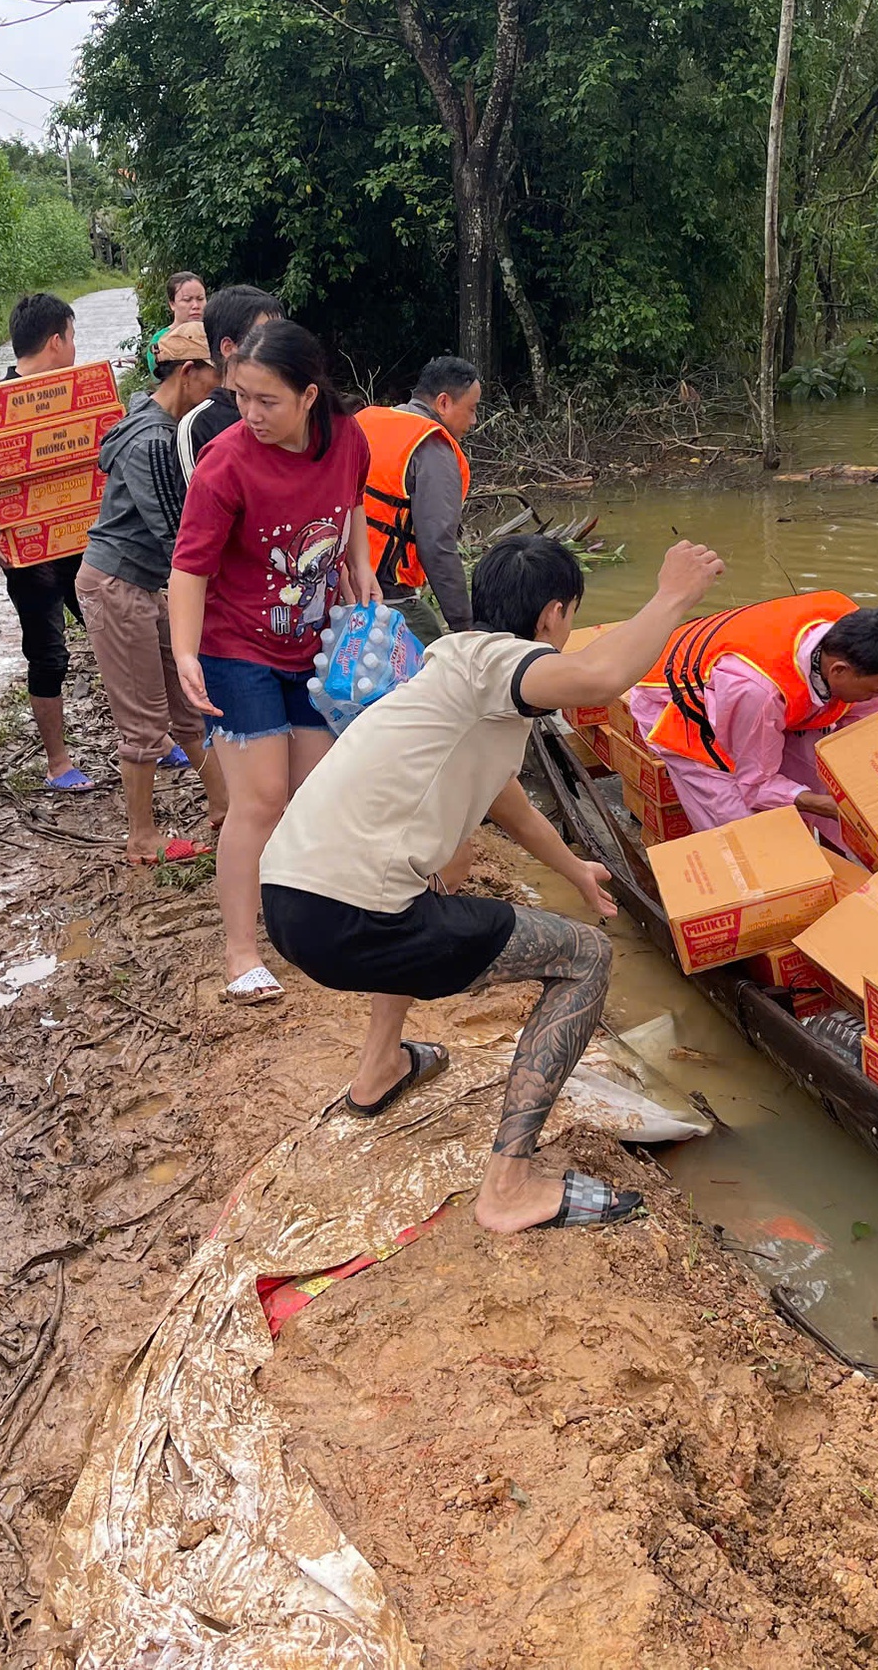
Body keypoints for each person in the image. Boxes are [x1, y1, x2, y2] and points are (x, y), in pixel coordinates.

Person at [262, 533, 727, 1231]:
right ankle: (508, 1185)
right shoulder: (504, 666)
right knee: (585, 958)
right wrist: (673, 596)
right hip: (354, 920)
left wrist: (573, 867)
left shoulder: (453, 662)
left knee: (424, 893)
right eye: (569, 617)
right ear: (553, 617)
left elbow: (503, 793)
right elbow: (601, 679)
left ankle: (379, 1072)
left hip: (290, 899)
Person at [170, 318, 375, 1003]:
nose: (250, 415)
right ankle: (240, 952)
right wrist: (183, 652)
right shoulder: (224, 464)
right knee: (258, 801)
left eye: (267, 401)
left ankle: (307, 924)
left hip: (310, 643)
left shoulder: (346, 438)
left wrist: (360, 567)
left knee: (311, 796)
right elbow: (189, 570)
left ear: (309, 396)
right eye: (240, 398)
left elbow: (351, 505)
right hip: (235, 646)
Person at [77, 323, 229, 863]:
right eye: (214, 378)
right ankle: (141, 837)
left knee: (188, 704)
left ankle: (224, 806)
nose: (218, 391)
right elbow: (174, 532)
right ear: (188, 373)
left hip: (142, 584)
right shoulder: (152, 440)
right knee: (144, 719)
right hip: (119, 585)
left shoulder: (150, 420)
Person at [624, 593, 878, 844]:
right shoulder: (756, 691)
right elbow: (756, 784)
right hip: (682, 707)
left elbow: (866, 726)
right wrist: (823, 805)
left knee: (826, 779)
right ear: (839, 671)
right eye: (874, 691)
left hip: (749, 686)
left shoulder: (860, 640)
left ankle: (839, 858)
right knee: (749, 829)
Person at [0, 292, 95, 790]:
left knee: (114, 637)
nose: (75, 348)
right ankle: (58, 764)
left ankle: (150, 740)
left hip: (83, 540)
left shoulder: (79, 396)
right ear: (56, 341)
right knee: (48, 650)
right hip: (28, 552)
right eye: (72, 337)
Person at [358, 355, 481, 646]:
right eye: (472, 409)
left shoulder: (366, 419)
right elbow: (437, 546)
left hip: (338, 585)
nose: (474, 421)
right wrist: (465, 627)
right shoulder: (432, 447)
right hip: (388, 597)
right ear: (443, 403)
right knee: (438, 657)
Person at [177, 283, 285, 475]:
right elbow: (196, 501)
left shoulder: (292, 406)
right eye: (262, 337)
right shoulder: (198, 425)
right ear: (228, 348)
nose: (277, 346)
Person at [140, 269, 206, 375]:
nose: (196, 306)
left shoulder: (215, 333)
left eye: (200, 298)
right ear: (172, 304)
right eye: (187, 300)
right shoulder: (160, 341)